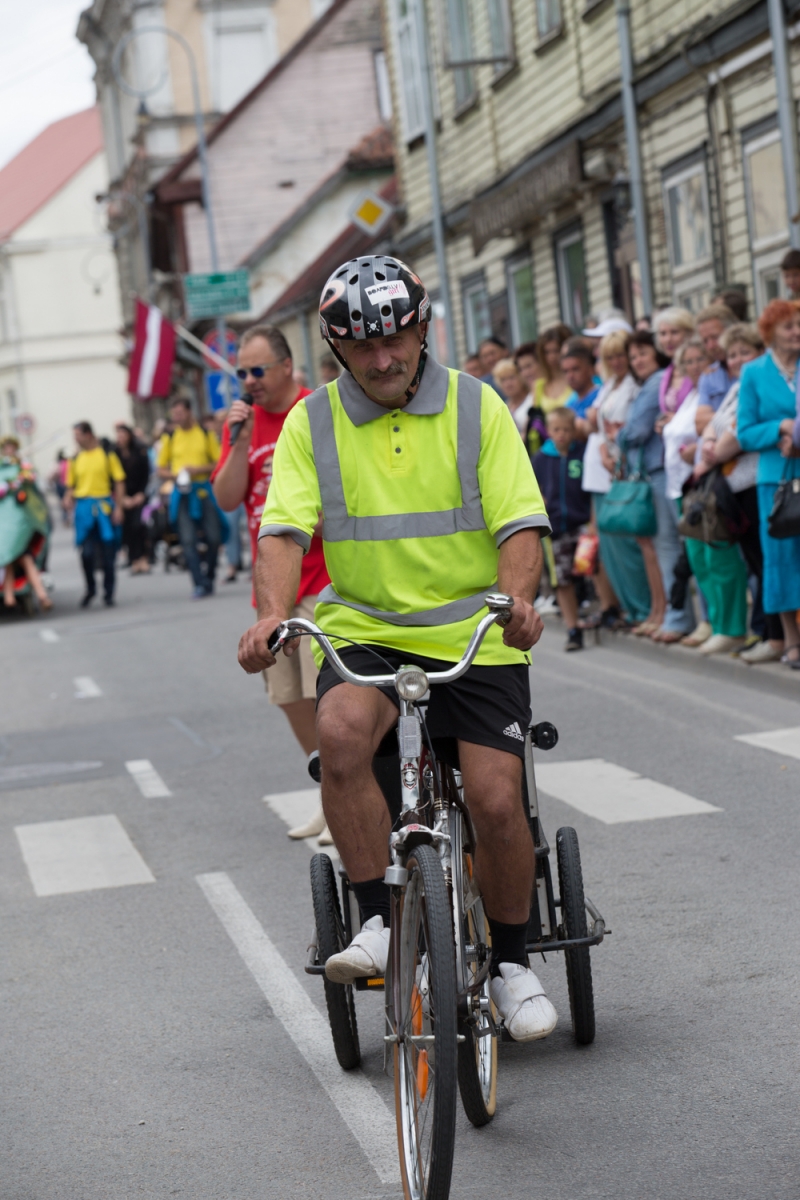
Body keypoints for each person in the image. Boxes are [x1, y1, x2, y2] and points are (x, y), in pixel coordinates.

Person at [239, 254, 559, 1042]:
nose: (384, 360)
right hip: (367, 633)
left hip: (474, 632)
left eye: (398, 339)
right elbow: (281, 530)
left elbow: (521, 523)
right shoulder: (312, 424)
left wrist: (517, 600)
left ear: (421, 327)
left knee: (493, 797)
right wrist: (272, 614)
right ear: (335, 348)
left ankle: (514, 965)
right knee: (341, 735)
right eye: (362, 347)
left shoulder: (478, 407)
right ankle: (380, 921)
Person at [212, 325, 331, 841]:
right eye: (241, 372)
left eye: (258, 370)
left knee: (325, 689)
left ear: (286, 366)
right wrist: (236, 441)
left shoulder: (316, 411)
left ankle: (355, 787)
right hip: (270, 585)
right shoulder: (241, 425)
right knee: (287, 694)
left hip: (319, 575)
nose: (249, 381)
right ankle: (332, 789)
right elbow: (225, 495)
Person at [697, 323, 783, 661]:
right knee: (755, 563)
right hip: (736, 485)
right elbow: (712, 425)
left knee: (766, 562)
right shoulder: (737, 387)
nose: (736, 360)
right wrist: (708, 442)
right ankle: (765, 630)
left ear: (760, 352)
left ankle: (774, 634)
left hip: (756, 480)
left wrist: (714, 452)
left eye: (743, 352)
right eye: (731, 354)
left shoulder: (759, 383)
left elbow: (737, 433)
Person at [617, 332, 694, 641]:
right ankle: (673, 615)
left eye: (642, 353)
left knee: (669, 546)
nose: (637, 361)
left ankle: (679, 617)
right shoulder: (651, 383)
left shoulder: (657, 381)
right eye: (632, 356)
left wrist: (618, 433)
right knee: (665, 545)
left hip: (663, 469)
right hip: (657, 469)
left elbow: (634, 431)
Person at [738, 299, 800, 669]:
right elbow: (744, 433)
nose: (796, 332)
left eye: (799, 325)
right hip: (774, 482)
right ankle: (791, 641)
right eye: (788, 326)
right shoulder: (753, 372)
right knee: (780, 560)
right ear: (770, 332)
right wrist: (781, 426)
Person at [584, 330, 650, 626]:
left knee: (630, 546)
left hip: (627, 470)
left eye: (620, 355)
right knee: (611, 547)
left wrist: (611, 444)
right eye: (610, 357)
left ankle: (643, 608)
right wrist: (604, 448)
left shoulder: (636, 386)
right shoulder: (610, 384)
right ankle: (630, 608)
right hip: (606, 469)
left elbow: (628, 426)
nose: (617, 361)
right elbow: (599, 427)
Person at [658, 338, 712, 646]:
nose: (694, 367)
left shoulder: (709, 393)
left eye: (698, 359)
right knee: (695, 557)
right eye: (687, 362)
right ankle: (706, 619)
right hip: (678, 486)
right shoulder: (688, 395)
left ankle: (714, 621)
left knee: (708, 556)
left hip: (700, 485)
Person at [532, 408, 592, 651]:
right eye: (556, 430)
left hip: (583, 524)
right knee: (562, 578)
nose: (562, 434)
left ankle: (603, 612)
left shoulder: (582, 453)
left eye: (567, 430)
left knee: (592, 569)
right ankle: (573, 628)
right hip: (555, 527)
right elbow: (533, 486)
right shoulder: (541, 458)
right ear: (549, 430)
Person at [157, 397, 223, 599]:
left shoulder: (205, 434)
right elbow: (160, 469)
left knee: (214, 537)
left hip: (203, 490)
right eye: (174, 414)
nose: (176, 417)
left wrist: (197, 469)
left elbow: (219, 462)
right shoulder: (170, 437)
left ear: (189, 412)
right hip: (182, 492)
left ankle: (209, 574)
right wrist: (176, 475)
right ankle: (199, 582)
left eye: (180, 413)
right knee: (187, 540)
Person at [65, 421, 125, 608]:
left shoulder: (107, 455)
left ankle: (108, 592)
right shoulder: (75, 459)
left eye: (78, 435)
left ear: (88, 434)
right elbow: (70, 485)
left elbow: (119, 481)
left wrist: (119, 507)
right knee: (87, 554)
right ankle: (91, 588)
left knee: (108, 552)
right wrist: (68, 498)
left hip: (104, 507)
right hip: (84, 509)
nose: (76, 439)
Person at [0, 436, 51, 612]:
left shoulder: (23, 467)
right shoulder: (2, 468)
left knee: (24, 558)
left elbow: (33, 487)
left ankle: (41, 596)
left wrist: (21, 479)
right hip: (4, 528)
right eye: (6, 447)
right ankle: (10, 596)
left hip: (22, 524)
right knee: (8, 557)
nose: (9, 450)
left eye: (11, 446)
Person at [114, 423, 150, 575]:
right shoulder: (114, 454)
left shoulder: (139, 451)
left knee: (139, 526)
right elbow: (113, 478)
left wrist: (141, 493)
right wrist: (121, 499)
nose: (121, 438)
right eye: (118, 435)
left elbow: (146, 473)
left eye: (123, 435)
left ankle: (144, 557)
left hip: (139, 494)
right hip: (123, 497)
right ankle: (134, 559)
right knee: (128, 529)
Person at [695, 304, 736, 426]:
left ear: (732, 331)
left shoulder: (756, 364)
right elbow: (700, 423)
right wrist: (734, 419)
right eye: (705, 341)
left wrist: (714, 418)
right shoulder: (709, 374)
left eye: (715, 337)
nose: (711, 346)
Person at [561, 337, 600, 435]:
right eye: (566, 371)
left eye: (575, 369)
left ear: (590, 369)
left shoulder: (600, 396)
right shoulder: (569, 404)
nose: (570, 376)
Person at [533, 325, 573, 414]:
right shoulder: (539, 386)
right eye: (547, 352)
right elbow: (536, 421)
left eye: (556, 350)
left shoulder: (574, 378)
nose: (552, 357)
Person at [492, 357, 532, 432]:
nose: (508, 384)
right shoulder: (504, 406)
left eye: (511, 377)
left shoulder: (532, 399)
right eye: (503, 380)